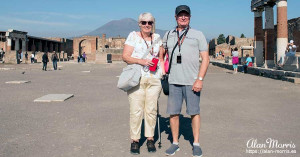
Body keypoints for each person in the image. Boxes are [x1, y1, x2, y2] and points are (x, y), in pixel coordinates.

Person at [160, 5, 209, 157]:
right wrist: (163, 70)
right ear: (175, 17)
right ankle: (175, 143)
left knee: (194, 113)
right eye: (180, 15)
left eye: (186, 15)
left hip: (192, 81)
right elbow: (161, 54)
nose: (183, 17)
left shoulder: (198, 34)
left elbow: (206, 59)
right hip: (174, 81)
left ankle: (196, 143)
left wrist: (200, 80)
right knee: (173, 113)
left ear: (190, 17)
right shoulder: (168, 35)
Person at [122, 12, 164, 155]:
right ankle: (135, 140)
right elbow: (125, 57)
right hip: (137, 78)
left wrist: (162, 72)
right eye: (144, 22)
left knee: (151, 110)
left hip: (154, 78)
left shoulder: (158, 38)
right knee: (136, 110)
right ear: (139, 24)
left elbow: (161, 56)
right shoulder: (133, 36)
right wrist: (142, 61)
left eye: (150, 22)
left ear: (153, 24)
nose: (147, 25)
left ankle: (150, 138)